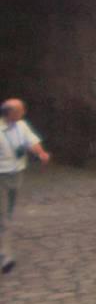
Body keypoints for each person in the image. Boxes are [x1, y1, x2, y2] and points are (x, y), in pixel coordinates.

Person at [1, 97, 50, 275]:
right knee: (4, 215)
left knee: (8, 212)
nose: (23, 112)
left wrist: (41, 153)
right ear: (10, 113)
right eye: (20, 110)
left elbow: (31, 142)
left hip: (16, 174)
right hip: (1, 174)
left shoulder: (22, 125)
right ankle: (5, 256)